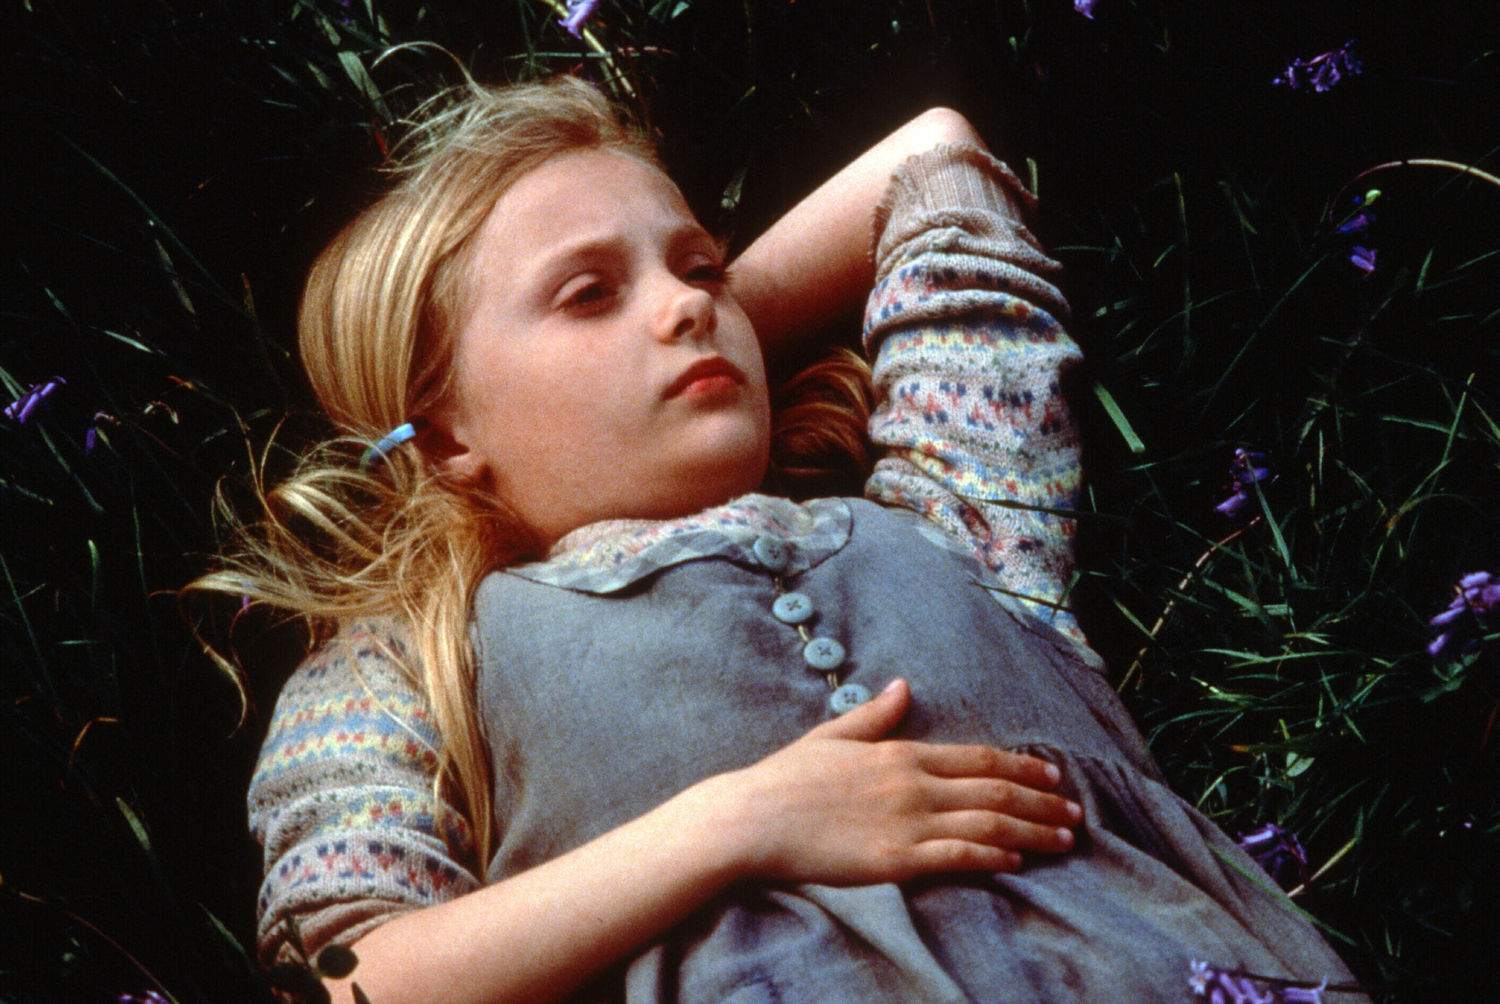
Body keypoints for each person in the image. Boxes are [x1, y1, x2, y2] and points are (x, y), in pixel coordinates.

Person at [197, 76, 1366, 1003]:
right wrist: (738, 822)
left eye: (699, 265)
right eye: (587, 293)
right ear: (446, 431)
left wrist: (684, 326)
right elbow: (354, 979)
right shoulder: (414, 658)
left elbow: (933, 155)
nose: (688, 302)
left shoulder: (957, 523)